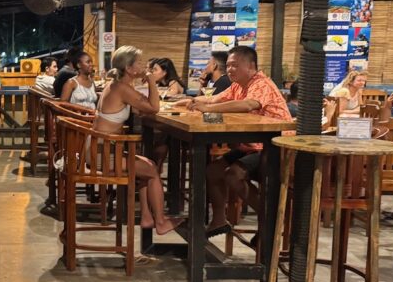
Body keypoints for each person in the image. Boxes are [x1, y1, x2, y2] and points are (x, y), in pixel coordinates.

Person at [175, 46, 291, 237]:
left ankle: (271, 221)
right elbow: (214, 99)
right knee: (213, 171)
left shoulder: (261, 83)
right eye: (228, 65)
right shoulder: (238, 85)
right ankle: (219, 221)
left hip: (275, 147)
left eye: (235, 65)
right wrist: (188, 102)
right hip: (253, 145)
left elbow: (249, 104)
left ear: (251, 66)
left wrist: (207, 109)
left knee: (233, 174)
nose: (229, 69)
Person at [94, 45, 184, 235]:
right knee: (152, 170)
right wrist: (151, 80)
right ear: (129, 68)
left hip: (100, 148)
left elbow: (138, 107)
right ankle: (160, 222)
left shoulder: (117, 85)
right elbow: (154, 107)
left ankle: (147, 217)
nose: (144, 66)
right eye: (139, 62)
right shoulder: (122, 88)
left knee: (148, 165)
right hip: (103, 154)